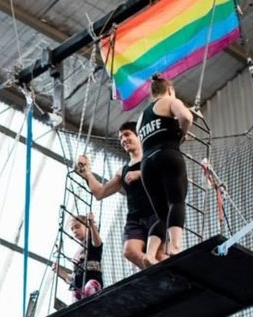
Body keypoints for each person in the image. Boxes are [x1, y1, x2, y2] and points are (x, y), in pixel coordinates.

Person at [76, 122, 167, 269]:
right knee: (130, 251)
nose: (123, 140)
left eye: (127, 135)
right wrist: (87, 173)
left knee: (159, 254)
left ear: (138, 136)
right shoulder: (122, 171)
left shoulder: (152, 157)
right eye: (120, 138)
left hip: (155, 214)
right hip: (135, 218)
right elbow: (100, 192)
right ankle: (163, 272)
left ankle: (172, 272)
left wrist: (139, 174)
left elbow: (166, 174)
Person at [137, 73, 193, 261]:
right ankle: (175, 247)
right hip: (167, 154)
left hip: (147, 165)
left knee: (163, 216)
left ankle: (150, 255)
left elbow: (144, 140)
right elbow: (186, 117)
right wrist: (181, 134)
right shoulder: (170, 100)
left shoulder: (141, 117)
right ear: (169, 89)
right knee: (176, 201)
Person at [52, 213, 102, 301]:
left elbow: (97, 243)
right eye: (72, 229)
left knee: (88, 288)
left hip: (93, 284)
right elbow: (72, 278)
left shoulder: (91, 242)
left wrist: (91, 225)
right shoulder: (77, 253)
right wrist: (59, 271)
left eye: (77, 227)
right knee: (75, 294)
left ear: (87, 227)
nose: (74, 230)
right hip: (80, 287)